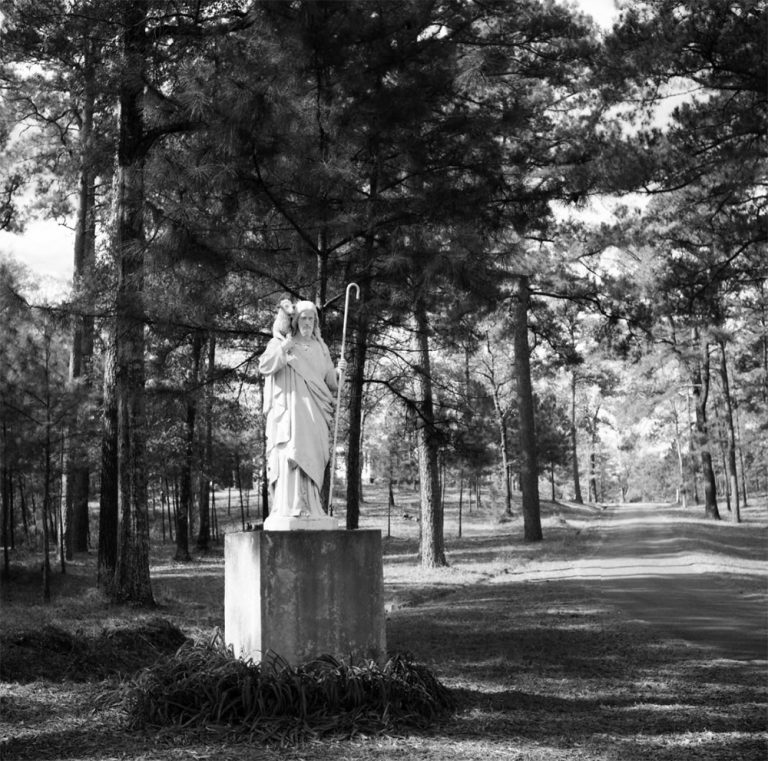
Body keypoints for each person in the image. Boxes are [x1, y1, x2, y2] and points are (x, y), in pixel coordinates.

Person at [258, 300, 345, 528]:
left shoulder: (321, 347)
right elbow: (265, 366)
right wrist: (284, 349)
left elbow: (330, 382)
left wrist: (339, 372)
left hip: (316, 412)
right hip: (292, 412)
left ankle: (312, 507)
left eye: (311, 318)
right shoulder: (282, 343)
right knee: (294, 453)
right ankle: (290, 507)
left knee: (314, 455)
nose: (307, 322)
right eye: (303, 318)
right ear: (296, 321)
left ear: (315, 322)